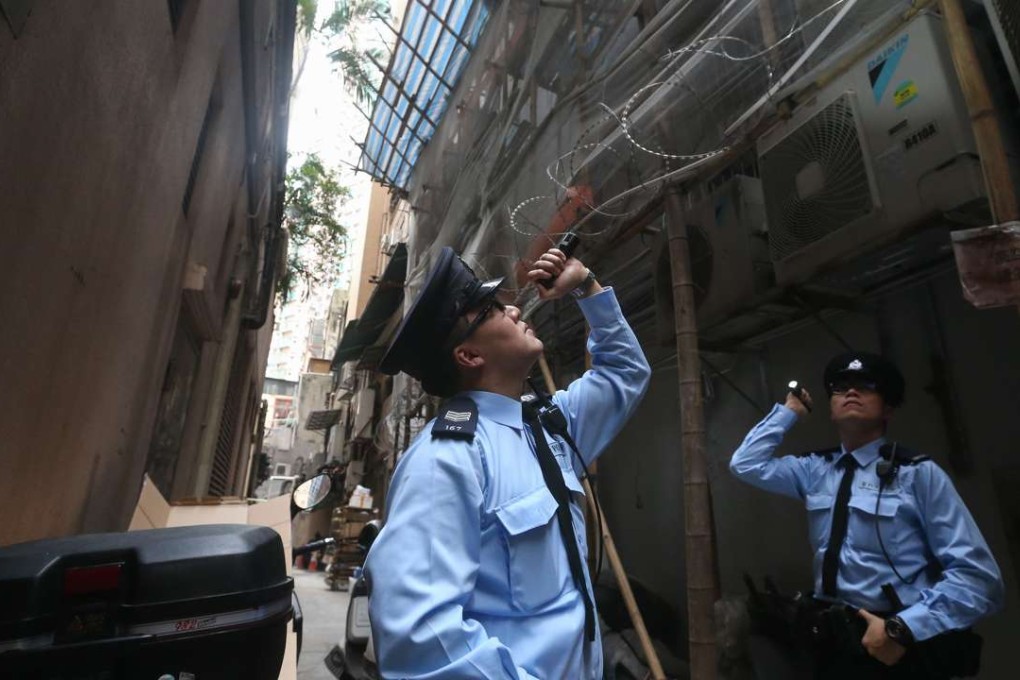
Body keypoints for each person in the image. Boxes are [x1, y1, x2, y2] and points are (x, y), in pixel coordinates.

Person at [364, 244, 650, 679]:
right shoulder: (448, 459)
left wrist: (587, 287)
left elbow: (625, 373)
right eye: (492, 310)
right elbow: (419, 638)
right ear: (469, 356)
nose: (514, 310)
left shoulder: (548, 425)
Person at [730, 351, 1004, 679]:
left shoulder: (917, 474)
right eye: (840, 386)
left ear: (888, 407)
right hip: (832, 644)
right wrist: (789, 412)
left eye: (866, 385)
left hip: (896, 642)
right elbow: (746, 464)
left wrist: (903, 627)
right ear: (831, 407)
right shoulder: (816, 469)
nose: (851, 392)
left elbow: (979, 581)